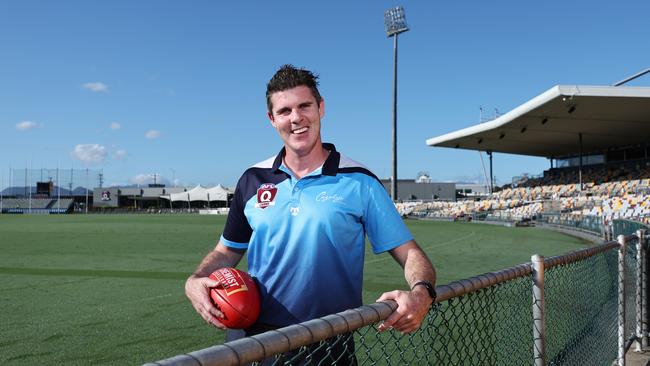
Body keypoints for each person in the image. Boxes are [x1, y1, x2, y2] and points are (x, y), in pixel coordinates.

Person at [185, 64, 436, 361]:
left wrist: (421, 295)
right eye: (284, 111)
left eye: (305, 106)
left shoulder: (359, 180)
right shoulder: (253, 179)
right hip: (257, 340)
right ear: (271, 119)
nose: (296, 118)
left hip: (329, 338)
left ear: (321, 108)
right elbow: (227, 250)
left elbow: (410, 253)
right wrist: (195, 280)